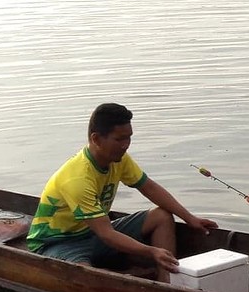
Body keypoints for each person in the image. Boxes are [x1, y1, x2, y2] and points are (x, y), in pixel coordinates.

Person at [27, 103, 218, 281]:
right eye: (119, 139)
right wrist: (150, 251)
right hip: (57, 243)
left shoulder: (119, 158)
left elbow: (149, 187)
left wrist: (189, 218)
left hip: (91, 235)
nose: (126, 145)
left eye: (129, 137)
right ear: (96, 139)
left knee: (161, 216)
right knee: (87, 276)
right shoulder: (77, 178)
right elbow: (106, 233)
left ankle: (167, 283)